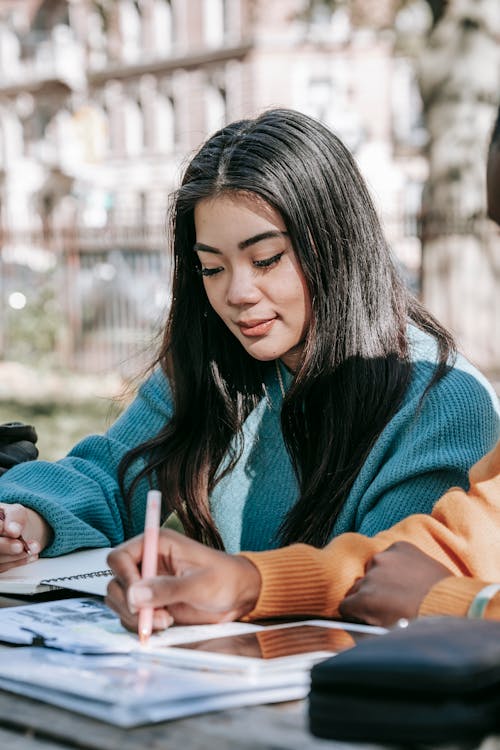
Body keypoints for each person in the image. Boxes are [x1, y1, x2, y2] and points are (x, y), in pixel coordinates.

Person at [0, 109, 498, 578]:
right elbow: (113, 474)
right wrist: (25, 520)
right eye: (212, 268)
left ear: (336, 246)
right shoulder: (217, 362)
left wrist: (238, 587)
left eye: (266, 259)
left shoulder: (443, 400)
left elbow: (382, 583)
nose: (237, 294)